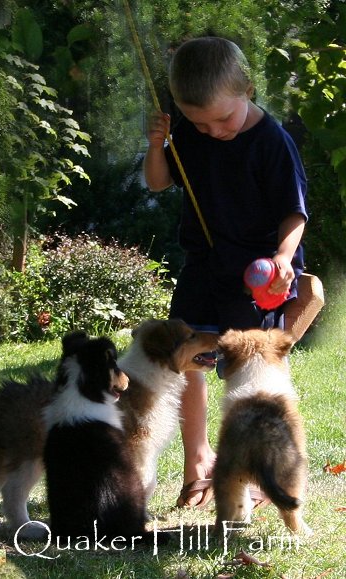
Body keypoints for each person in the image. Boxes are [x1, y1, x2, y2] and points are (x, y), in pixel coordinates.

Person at [143, 36, 308, 509]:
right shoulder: (190, 133)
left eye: (223, 118)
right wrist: (159, 145)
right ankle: (198, 463)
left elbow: (294, 214)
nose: (213, 130)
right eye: (200, 122)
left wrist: (282, 259)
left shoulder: (272, 142)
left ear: (248, 89)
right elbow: (158, 182)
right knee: (189, 365)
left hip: (259, 274)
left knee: (257, 377)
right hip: (204, 266)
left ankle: (261, 471)